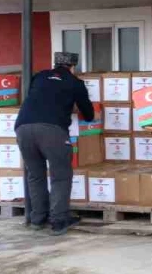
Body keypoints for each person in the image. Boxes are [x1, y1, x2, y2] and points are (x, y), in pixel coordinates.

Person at [15, 51, 94, 235]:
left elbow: (38, 99)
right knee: (61, 175)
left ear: (55, 64)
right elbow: (89, 115)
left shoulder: (40, 76)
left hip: (23, 127)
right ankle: (59, 220)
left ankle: (37, 218)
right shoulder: (75, 83)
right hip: (52, 130)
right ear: (73, 67)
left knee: (35, 174)